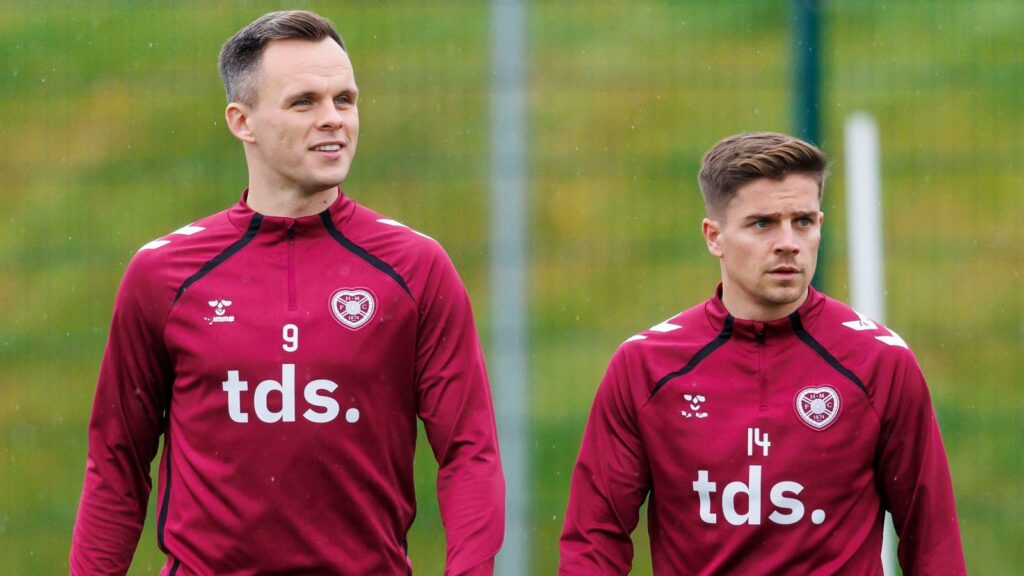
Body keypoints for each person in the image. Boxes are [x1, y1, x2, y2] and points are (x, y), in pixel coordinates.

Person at [70, 10, 504, 575]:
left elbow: (470, 452)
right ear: (242, 121)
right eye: (304, 102)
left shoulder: (416, 268)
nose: (333, 119)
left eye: (344, 100)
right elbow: (116, 462)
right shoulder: (164, 274)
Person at [559, 132, 965, 574]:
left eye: (803, 222)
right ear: (715, 237)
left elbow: (933, 541)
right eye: (763, 224)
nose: (788, 242)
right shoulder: (645, 366)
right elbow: (594, 539)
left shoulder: (879, 361)